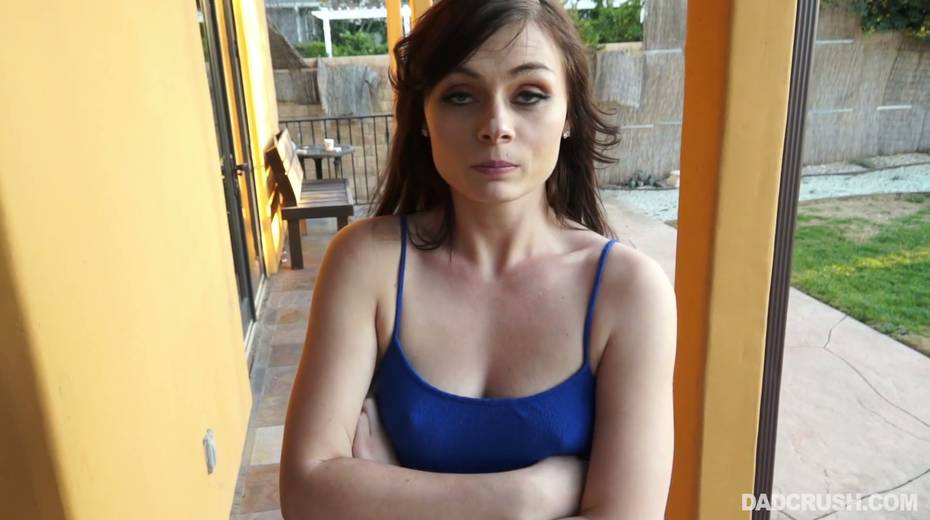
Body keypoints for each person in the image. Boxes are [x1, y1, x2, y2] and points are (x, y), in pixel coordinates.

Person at [279, 1, 677, 518]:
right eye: (460, 95)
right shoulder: (366, 264)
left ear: (570, 116)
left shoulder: (629, 292)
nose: (495, 126)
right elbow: (305, 493)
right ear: (424, 117)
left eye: (529, 94)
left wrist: (384, 489)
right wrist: (525, 496)